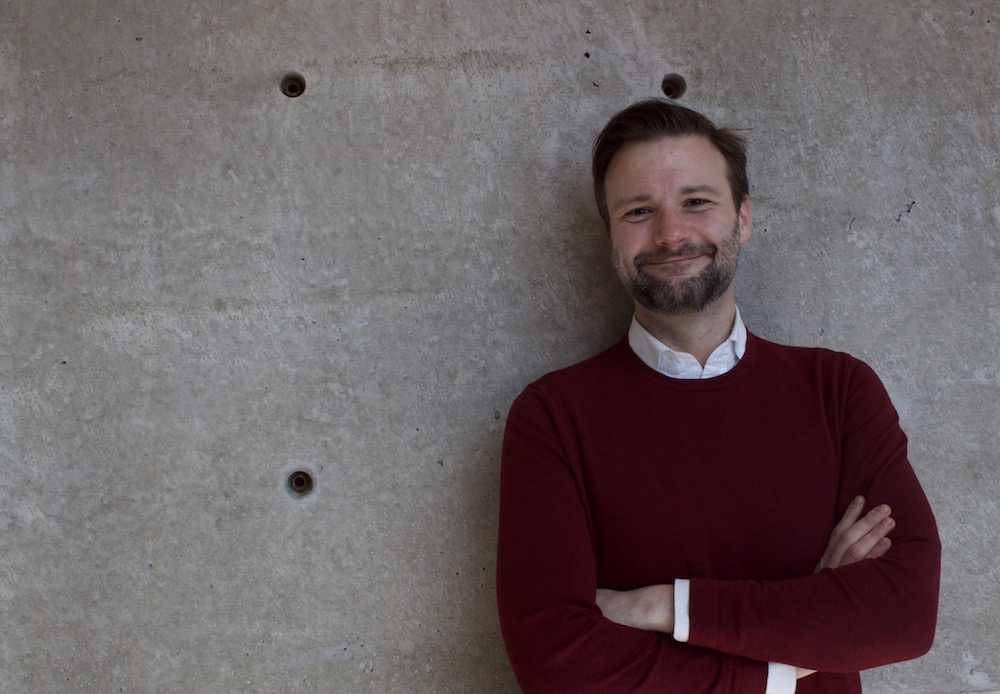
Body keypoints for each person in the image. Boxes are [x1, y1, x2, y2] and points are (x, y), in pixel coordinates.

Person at [495, 99, 940, 693]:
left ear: (743, 218)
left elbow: (905, 615)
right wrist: (795, 649)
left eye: (696, 202)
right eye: (638, 210)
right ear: (611, 235)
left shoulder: (838, 392)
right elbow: (556, 667)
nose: (670, 232)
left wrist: (664, 609)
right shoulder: (552, 417)